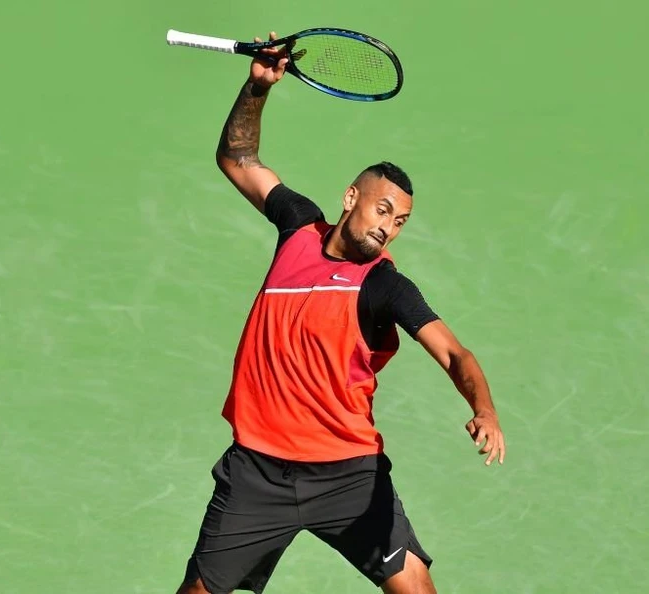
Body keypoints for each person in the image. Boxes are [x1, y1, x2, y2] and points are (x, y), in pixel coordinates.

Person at [177, 32, 505, 594]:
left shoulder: (385, 286)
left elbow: (455, 353)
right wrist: (258, 88)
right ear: (351, 198)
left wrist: (485, 408)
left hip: (347, 474)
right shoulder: (298, 227)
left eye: (399, 221)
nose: (388, 226)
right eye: (382, 209)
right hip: (258, 472)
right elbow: (237, 158)